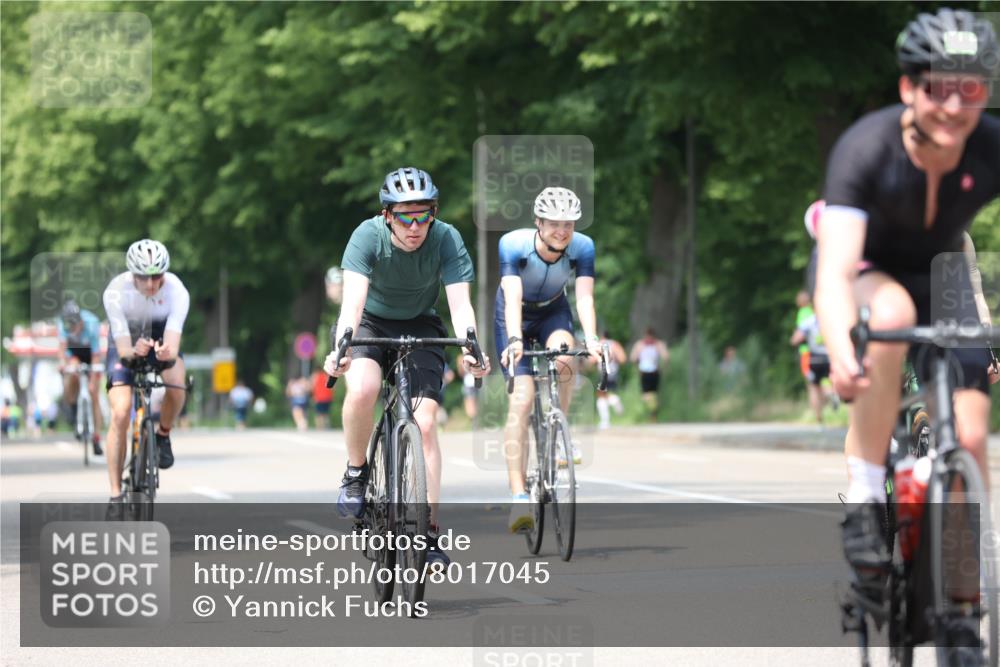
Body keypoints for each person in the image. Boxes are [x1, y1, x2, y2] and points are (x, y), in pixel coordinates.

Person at [815, 8, 999, 657]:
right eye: (936, 87)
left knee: (971, 437)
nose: (953, 105)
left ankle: (960, 613)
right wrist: (841, 349)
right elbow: (833, 274)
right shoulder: (864, 149)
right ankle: (866, 497)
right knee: (889, 315)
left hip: (943, 274)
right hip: (870, 271)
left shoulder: (990, 146)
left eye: (970, 88)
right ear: (907, 89)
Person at [323, 166, 490, 570]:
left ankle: (428, 532)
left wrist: (471, 346)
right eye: (405, 216)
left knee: (427, 424)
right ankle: (356, 472)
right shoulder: (367, 236)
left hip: (420, 324)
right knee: (362, 388)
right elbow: (352, 303)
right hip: (370, 322)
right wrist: (341, 348)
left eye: (423, 215)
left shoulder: (447, 238)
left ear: (433, 213)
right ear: (387, 216)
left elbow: (460, 304)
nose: (415, 226)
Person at [495, 186, 601, 534]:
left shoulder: (583, 248)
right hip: (515, 317)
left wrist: (593, 338)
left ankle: (558, 430)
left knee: (565, 356)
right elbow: (512, 298)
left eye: (569, 223)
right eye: (554, 223)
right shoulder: (513, 244)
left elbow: (584, 298)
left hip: (554, 312)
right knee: (522, 400)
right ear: (538, 223)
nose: (562, 231)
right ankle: (519, 498)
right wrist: (513, 340)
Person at [103, 239, 190, 503]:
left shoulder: (176, 291)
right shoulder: (116, 292)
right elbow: (123, 349)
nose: (151, 284)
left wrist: (166, 354)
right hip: (127, 340)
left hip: (160, 336)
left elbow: (173, 346)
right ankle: (116, 494)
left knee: (177, 384)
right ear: (133, 275)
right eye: (144, 277)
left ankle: (163, 435)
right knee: (120, 412)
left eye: (157, 277)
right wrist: (133, 351)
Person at [56, 299, 104, 455]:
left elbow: (96, 354)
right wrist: (63, 364)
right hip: (74, 354)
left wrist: (93, 379)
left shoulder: (92, 322)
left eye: (76, 325)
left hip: (90, 354)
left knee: (94, 394)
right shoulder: (62, 325)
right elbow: (62, 349)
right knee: (71, 376)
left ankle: (96, 438)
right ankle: (73, 407)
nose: (74, 328)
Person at [789, 303, 834, 424]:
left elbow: (795, 339)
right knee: (829, 381)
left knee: (813, 387)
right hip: (829, 357)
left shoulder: (808, 322)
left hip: (814, 358)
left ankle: (819, 417)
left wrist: (798, 341)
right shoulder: (832, 320)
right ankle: (831, 394)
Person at [630, 327, 669, 422]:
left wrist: (637, 367)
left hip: (648, 372)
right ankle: (653, 413)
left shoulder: (641, 345)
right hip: (651, 372)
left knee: (648, 394)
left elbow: (633, 358)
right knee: (652, 395)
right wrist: (662, 368)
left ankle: (652, 413)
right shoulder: (657, 344)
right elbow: (666, 358)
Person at [594, 331, 626, 429]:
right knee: (605, 396)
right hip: (613, 374)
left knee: (601, 397)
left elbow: (591, 361)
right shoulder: (615, 344)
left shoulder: (599, 344)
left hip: (603, 374)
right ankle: (614, 400)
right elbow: (623, 359)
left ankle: (605, 421)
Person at [456, 351, 480, 427]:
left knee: (469, 402)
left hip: (468, 382)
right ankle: (475, 419)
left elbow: (461, 373)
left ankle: (473, 420)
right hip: (476, 381)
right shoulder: (476, 355)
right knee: (475, 401)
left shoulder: (460, 358)